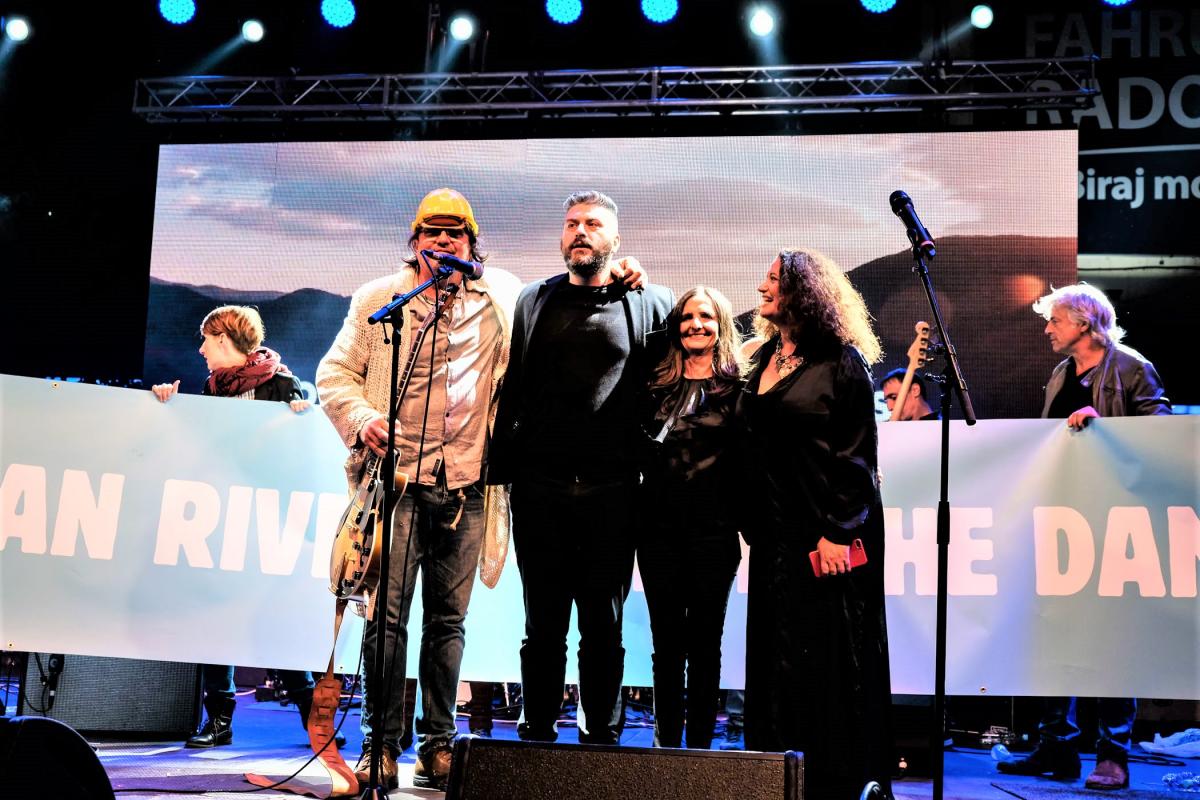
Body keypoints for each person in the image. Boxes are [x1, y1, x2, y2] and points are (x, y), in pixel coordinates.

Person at [316, 187, 649, 787]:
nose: (444, 243)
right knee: (384, 621)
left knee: (448, 623)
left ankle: (436, 745)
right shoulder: (379, 300)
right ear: (414, 243)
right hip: (396, 487)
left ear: (472, 245)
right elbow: (334, 372)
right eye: (432, 234)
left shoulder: (502, 297)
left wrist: (624, 268)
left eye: (456, 235)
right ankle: (380, 745)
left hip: (467, 489)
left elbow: (581, 285)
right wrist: (360, 416)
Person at [488, 190, 674, 745]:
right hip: (539, 489)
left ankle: (601, 737)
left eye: (593, 224)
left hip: (613, 491)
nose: (579, 231)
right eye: (571, 223)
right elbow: (515, 382)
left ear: (616, 240)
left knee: (604, 625)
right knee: (540, 625)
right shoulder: (532, 300)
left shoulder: (649, 302)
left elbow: (669, 384)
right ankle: (536, 733)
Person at [998, 283, 1170, 791]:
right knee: (1058, 633)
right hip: (1066, 517)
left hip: (1117, 520)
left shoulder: (1130, 367)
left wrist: (1105, 428)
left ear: (1083, 322)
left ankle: (1113, 753)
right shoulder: (1060, 374)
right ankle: (1058, 747)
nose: (1047, 328)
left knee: (1113, 638)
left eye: (1054, 320)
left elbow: (1162, 433)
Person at [737, 248, 892, 797]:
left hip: (825, 536)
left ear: (804, 292)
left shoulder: (841, 363)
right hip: (777, 538)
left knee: (829, 658)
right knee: (777, 657)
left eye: (773, 280)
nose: (761, 287)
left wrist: (838, 532)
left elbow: (856, 456)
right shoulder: (764, 360)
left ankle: (835, 780)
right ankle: (777, 774)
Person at [150, 305, 316, 749]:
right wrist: (169, 404)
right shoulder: (210, 389)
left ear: (224, 339)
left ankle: (311, 714)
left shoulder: (283, 384)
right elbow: (198, 445)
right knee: (213, 616)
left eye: (206, 339)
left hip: (267, 522)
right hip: (221, 518)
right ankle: (219, 720)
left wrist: (304, 414)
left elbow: (305, 447)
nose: (201, 349)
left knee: (273, 622)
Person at [637, 286, 744, 749]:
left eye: (705, 316)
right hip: (657, 533)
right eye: (686, 316)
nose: (695, 324)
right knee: (665, 647)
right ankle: (666, 747)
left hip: (713, 536)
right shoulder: (652, 385)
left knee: (704, 647)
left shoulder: (740, 392)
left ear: (720, 324)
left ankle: (699, 749)